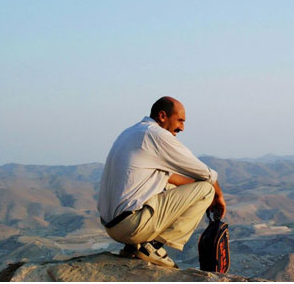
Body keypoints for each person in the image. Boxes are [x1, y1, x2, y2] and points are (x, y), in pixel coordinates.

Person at [97, 96, 226, 268]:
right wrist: (217, 195)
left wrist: (190, 190)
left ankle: (133, 248)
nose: (182, 127)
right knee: (207, 190)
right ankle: (153, 247)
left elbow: (170, 178)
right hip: (130, 225)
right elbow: (206, 174)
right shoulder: (156, 135)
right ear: (163, 116)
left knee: (176, 186)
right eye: (179, 120)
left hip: (113, 226)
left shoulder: (131, 132)